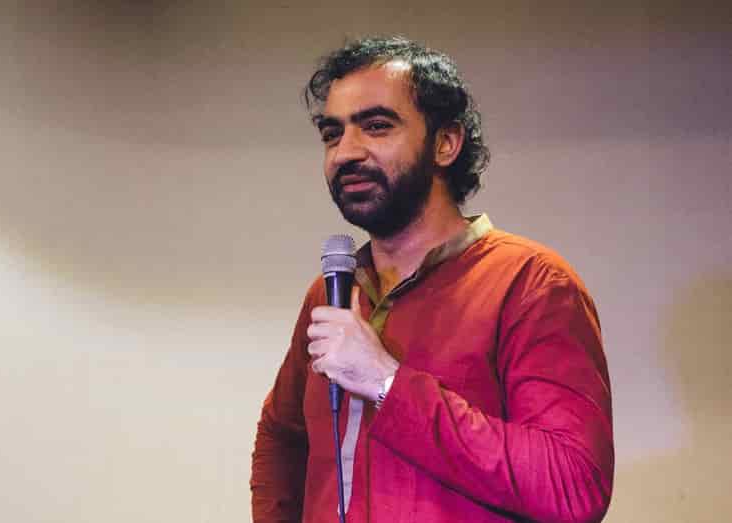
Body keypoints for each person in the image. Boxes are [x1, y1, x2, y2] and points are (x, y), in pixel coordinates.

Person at [250, 36, 613, 523]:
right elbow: (281, 435)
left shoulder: (532, 283)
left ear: (445, 143)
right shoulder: (333, 292)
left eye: (376, 126)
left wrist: (386, 382)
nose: (345, 153)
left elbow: (572, 487)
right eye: (332, 134)